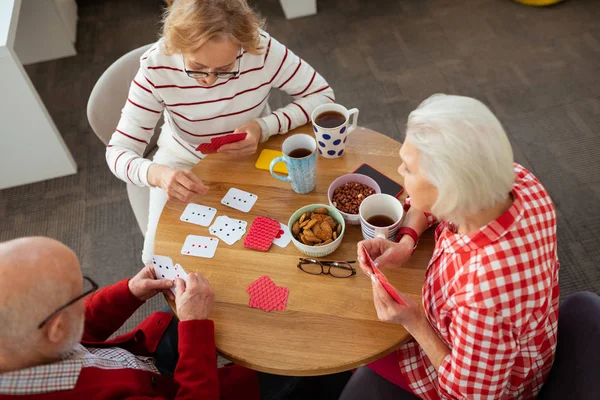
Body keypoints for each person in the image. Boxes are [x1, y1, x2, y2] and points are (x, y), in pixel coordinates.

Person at [340, 94, 560, 400]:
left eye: (409, 169)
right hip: (509, 344)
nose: (399, 174)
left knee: (348, 338)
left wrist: (414, 321)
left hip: (484, 380)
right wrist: (407, 239)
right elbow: (445, 198)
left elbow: (467, 396)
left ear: (447, 191)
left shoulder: (483, 296)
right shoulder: (521, 183)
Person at [105, 0, 335, 264]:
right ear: (177, 46)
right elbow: (118, 151)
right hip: (182, 161)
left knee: (278, 252)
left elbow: (323, 96)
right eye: (197, 67)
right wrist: (158, 175)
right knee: (155, 260)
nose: (210, 81)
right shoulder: (156, 66)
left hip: (254, 152)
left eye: (225, 69)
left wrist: (265, 126)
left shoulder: (262, 49)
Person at [0, 237, 350, 400]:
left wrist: (129, 292)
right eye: (81, 290)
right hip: (175, 392)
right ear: (55, 327)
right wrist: (194, 327)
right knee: (307, 372)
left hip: (142, 365)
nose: (88, 294)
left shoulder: (22, 343)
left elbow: (80, 329)